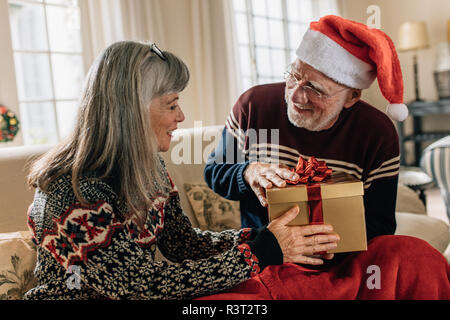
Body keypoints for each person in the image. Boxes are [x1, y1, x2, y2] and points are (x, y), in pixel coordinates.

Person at [23, 41, 340, 300]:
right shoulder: (69, 191)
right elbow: (140, 286)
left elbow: (182, 245)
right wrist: (264, 250)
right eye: (171, 104)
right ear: (132, 110)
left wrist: (266, 238)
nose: (182, 116)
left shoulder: (150, 166)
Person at [205, 15, 409, 243]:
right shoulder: (253, 106)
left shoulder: (377, 134)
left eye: (315, 89)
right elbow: (215, 172)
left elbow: (380, 225)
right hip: (265, 254)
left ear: (352, 96)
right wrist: (248, 172)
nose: (295, 95)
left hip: (340, 257)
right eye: (293, 75)